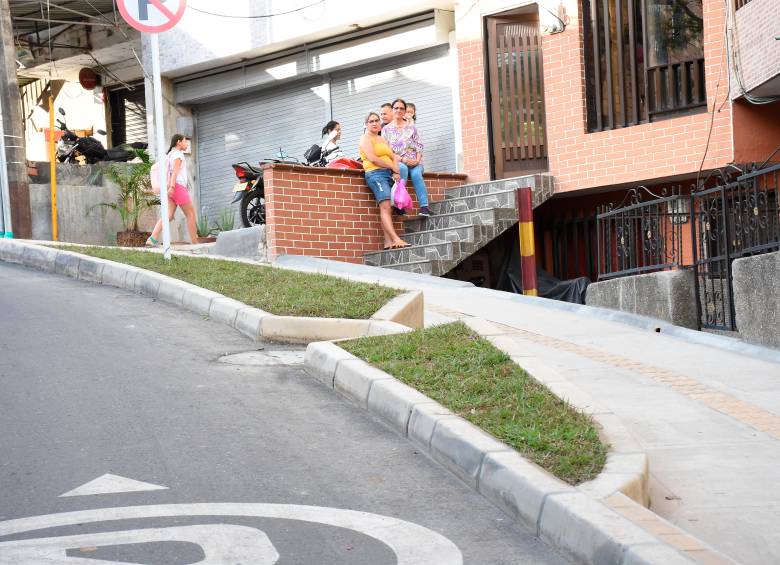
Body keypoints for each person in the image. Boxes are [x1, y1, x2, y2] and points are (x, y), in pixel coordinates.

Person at [358, 111, 410, 250]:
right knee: (386, 206)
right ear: (366, 124)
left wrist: (395, 170)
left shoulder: (382, 139)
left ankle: (387, 242)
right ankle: (396, 239)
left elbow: (392, 155)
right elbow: (373, 158)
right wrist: (392, 166)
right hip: (375, 174)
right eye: (371, 121)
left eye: (377, 121)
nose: (375, 123)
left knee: (388, 208)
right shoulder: (365, 138)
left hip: (388, 174)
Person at [382, 98, 432, 217]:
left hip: (415, 162)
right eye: (396, 108)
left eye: (401, 108)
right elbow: (387, 151)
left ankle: (424, 207)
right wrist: (403, 160)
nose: (399, 110)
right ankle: (400, 205)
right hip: (399, 161)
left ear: (405, 111)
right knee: (402, 169)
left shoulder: (412, 128)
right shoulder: (386, 129)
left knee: (416, 174)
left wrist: (417, 160)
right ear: (392, 110)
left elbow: (419, 146)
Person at [146, 134, 198, 246]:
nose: (187, 144)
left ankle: (152, 238)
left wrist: (170, 188)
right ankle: (195, 242)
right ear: (179, 142)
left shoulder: (170, 154)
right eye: (185, 141)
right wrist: (173, 187)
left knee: (168, 215)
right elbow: (174, 173)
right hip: (177, 187)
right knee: (190, 214)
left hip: (171, 188)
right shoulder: (178, 155)